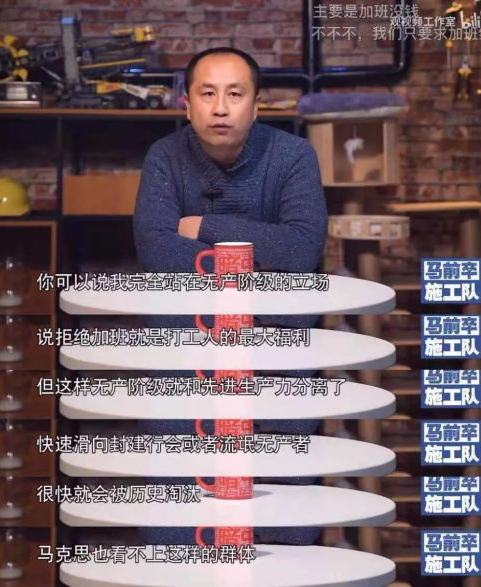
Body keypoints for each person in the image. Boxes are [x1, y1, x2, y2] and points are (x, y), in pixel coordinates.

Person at [133, 47, 328, 546]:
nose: (220, 108)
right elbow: (156, 249)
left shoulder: (293, 156)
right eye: (208, 94)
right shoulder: (164, 157)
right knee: (179, 511)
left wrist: (203, 227)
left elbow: (301, 249)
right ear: (187, 103)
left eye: (235, 94)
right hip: (185, 354)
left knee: (283, 519)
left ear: (256, 105)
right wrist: (255, 258)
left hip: (276, 356)